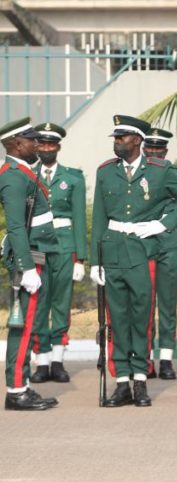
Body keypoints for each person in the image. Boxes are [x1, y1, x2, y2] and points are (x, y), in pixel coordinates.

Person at [90, 114, 177, 407]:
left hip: (142, 251)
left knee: (140, 317)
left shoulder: (161, 171)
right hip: (112, 250)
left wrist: (163, 226)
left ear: (137, 140)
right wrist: (94, 261)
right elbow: (100, 215)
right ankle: (122, 381)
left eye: (122, 137)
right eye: (115, 138)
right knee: (118, 319)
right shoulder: (105, 171)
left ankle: (140, 379)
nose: (117, 143)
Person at [0, 117, 59, 410]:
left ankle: (21, 384)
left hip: (36, 252)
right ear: (17, 143)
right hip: (29, 255)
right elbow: (16, 226)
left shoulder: (24, 172)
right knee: (21, 325)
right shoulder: (12, 175)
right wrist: (25, 267)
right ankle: (15, 390)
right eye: (32, 140)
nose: (38, 144)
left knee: (28, 322)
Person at [25, 122, 86, 384]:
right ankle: (43, 361)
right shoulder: (28, 175)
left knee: (61, 302)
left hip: (64, 246)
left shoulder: (73, 177)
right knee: (39, 302)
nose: (47, 149)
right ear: (37, 146)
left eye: (52, 145)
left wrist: (81, 258)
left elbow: (80, 219)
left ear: (58, 147)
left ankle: (58, 361)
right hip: (37, 246)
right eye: (43, 144)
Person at [141, 127, 177, 380]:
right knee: (144, 305)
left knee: (168, 306)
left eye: (157, 149)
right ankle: (146, 358)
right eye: (149, 148)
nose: (153, 153)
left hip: (170, 244)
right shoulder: (136, 174)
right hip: (144, 246)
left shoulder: (174, 174)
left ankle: (166, 359)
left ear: (165, 151)